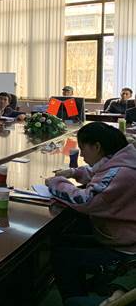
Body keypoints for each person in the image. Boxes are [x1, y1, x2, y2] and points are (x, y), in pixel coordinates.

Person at [45, 122, 136, 303]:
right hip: (120, 236)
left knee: (63, 256)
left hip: (126, 251)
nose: (82, 154)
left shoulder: (122, 173)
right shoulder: (124, 159)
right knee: (64, 240)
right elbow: (99, 172)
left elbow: (86, 200)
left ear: (97, 147)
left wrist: (57, 183)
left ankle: (75, 299)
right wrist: (73, 172)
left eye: (82, 148)